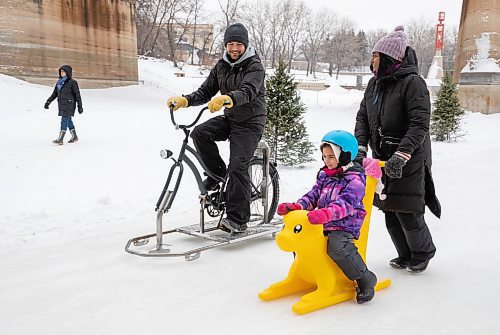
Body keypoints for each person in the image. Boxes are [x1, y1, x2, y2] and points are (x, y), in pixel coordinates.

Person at [354, 26, 441, 273]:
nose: (372, 60)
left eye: (376, 56)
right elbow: (362, 118)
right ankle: (404, 254)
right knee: (389, 208)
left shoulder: (413, 83)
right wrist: (360, 147)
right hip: (380, 156)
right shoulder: (374, 85)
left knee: (407, 209)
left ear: (390, 58)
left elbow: (419, 123)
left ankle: (422, 252)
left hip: (409, 156)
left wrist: (402, 155)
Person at [166, 23, 266, 233]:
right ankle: (216, 173)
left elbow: (248, 91)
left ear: (245, 45)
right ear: (226, 45)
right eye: (231, 44)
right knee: (200, 133)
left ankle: (237, 220)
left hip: (250, 123)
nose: (234, 48)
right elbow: (205, 92)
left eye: (239, 44)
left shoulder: (254, 66)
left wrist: (228, 98)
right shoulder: (221, 66)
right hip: (231, 117)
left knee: (238, 166)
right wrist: (185, 100)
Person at [277, 130, 377, 304]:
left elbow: (346, 204)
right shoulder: (325, 175)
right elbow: (313, 195)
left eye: (331, 157)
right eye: (324, 157)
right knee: (301, 239)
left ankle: (364, 278)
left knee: (337, 247)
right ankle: (309, 273)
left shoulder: (355, 179)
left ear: (345, 156)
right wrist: (298, 206)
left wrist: (326, 213)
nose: (327, 161)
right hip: (322, 220)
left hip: (345, 223)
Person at [44, 65, 83, 145]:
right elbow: (54, 94)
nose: (61, 73)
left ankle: (60, 139)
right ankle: (74, 136)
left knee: (64, 120)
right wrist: (48, 102)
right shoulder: (59, 83)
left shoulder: (73, 82)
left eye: (63, 71)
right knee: (68, 121)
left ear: (67, 72)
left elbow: (77, 95)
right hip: (62, 104)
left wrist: (80, 106)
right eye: (60, 71)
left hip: (69, 104)